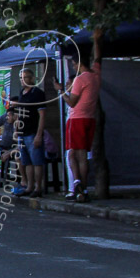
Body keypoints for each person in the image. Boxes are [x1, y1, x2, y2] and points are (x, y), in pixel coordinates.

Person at [56, 55, 100, 202]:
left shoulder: (80, 79)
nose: (74, 67)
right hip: (90, 118)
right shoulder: (96, 75)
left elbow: (72, 102)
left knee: (72, 154)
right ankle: (84, 189)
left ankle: (77, 183)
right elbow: (98, 59)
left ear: (80, 64)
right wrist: (97, 40)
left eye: (74, 64)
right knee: (83, 155)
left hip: (77, 119)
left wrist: (61, 91)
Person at [11, 67, 47, 197]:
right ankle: (29, 186)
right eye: (21, 78)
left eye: (25, 77)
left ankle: (38, 187)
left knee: (37, 160)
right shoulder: (22, 93)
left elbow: (42, 115)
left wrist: (39, 134)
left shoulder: (37, 93)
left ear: (31, 78)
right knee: (26, 161)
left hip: (32, 132)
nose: (22, 80)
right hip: (22, 132)